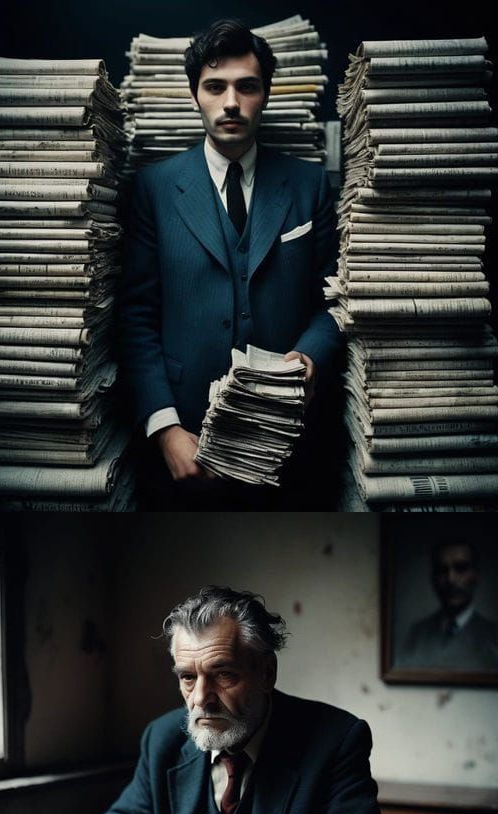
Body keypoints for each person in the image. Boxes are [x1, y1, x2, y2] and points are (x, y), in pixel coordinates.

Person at [82, 586, 396, 814]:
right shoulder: (162, 739)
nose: (201, 698)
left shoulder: (335, 739)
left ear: (266, 673)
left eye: (223, 674)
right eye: (188, 677)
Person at [118, 19, 341, 493]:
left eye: (247, 87)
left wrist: (311, 357)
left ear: (266, 94)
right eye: (215, 87)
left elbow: (333, 300)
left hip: (290, 439)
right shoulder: (153, 189)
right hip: (184, 437)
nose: (232, 103)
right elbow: (136, 315)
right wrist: (164, 428)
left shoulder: (309, 184)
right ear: (194, 94)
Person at [400, 540, 498, 671]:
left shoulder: (493, 636)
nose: (451, 579)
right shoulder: (417, 633)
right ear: (433, 578)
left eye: (461, 568)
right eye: (442, 570)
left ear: (476, 575)